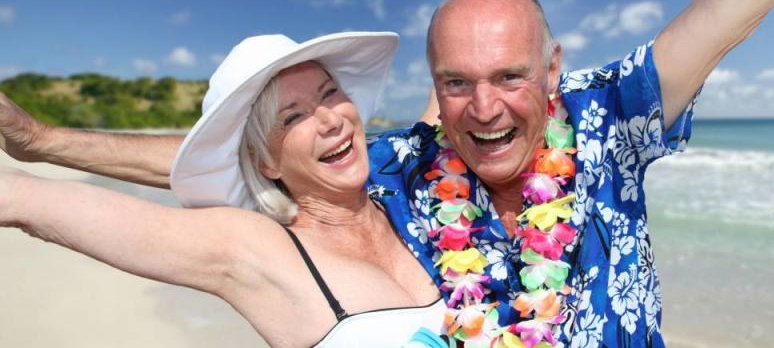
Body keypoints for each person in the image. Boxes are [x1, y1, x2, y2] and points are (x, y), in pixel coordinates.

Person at [0, 0, 774, 346]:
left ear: (553, 71)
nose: (485, 108)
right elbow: (222, 169)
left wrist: (42, 144)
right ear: (436, 87)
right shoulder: (408, 168)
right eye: (457, 83)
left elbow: (727, 9)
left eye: (509, 76)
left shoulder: (608, 115)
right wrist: (44, 143)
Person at [0, 32, 446, 348]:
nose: (330, 119)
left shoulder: (415, 179)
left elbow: (462, 80)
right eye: (292, 117)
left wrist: (43, 140)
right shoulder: (257, 249)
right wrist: (34, 139)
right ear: (264, 162)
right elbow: (26, 200)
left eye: (330, 93)